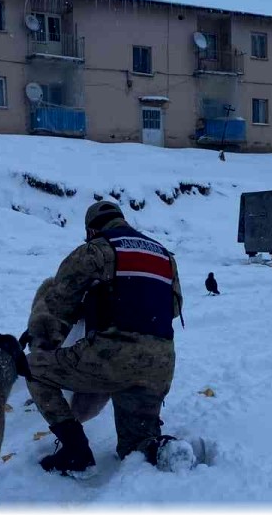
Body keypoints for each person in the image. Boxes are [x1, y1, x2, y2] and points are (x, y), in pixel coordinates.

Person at [22, 200, 202, 475]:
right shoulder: (164, 255)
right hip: (158, 366)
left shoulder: (95, 251)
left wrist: (41, 342)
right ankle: (165, 451)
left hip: (111, 357)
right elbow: (174, 309)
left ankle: (75, 450)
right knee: (136, 446)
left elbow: (56, 305)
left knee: (32, 369)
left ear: (92, 230)